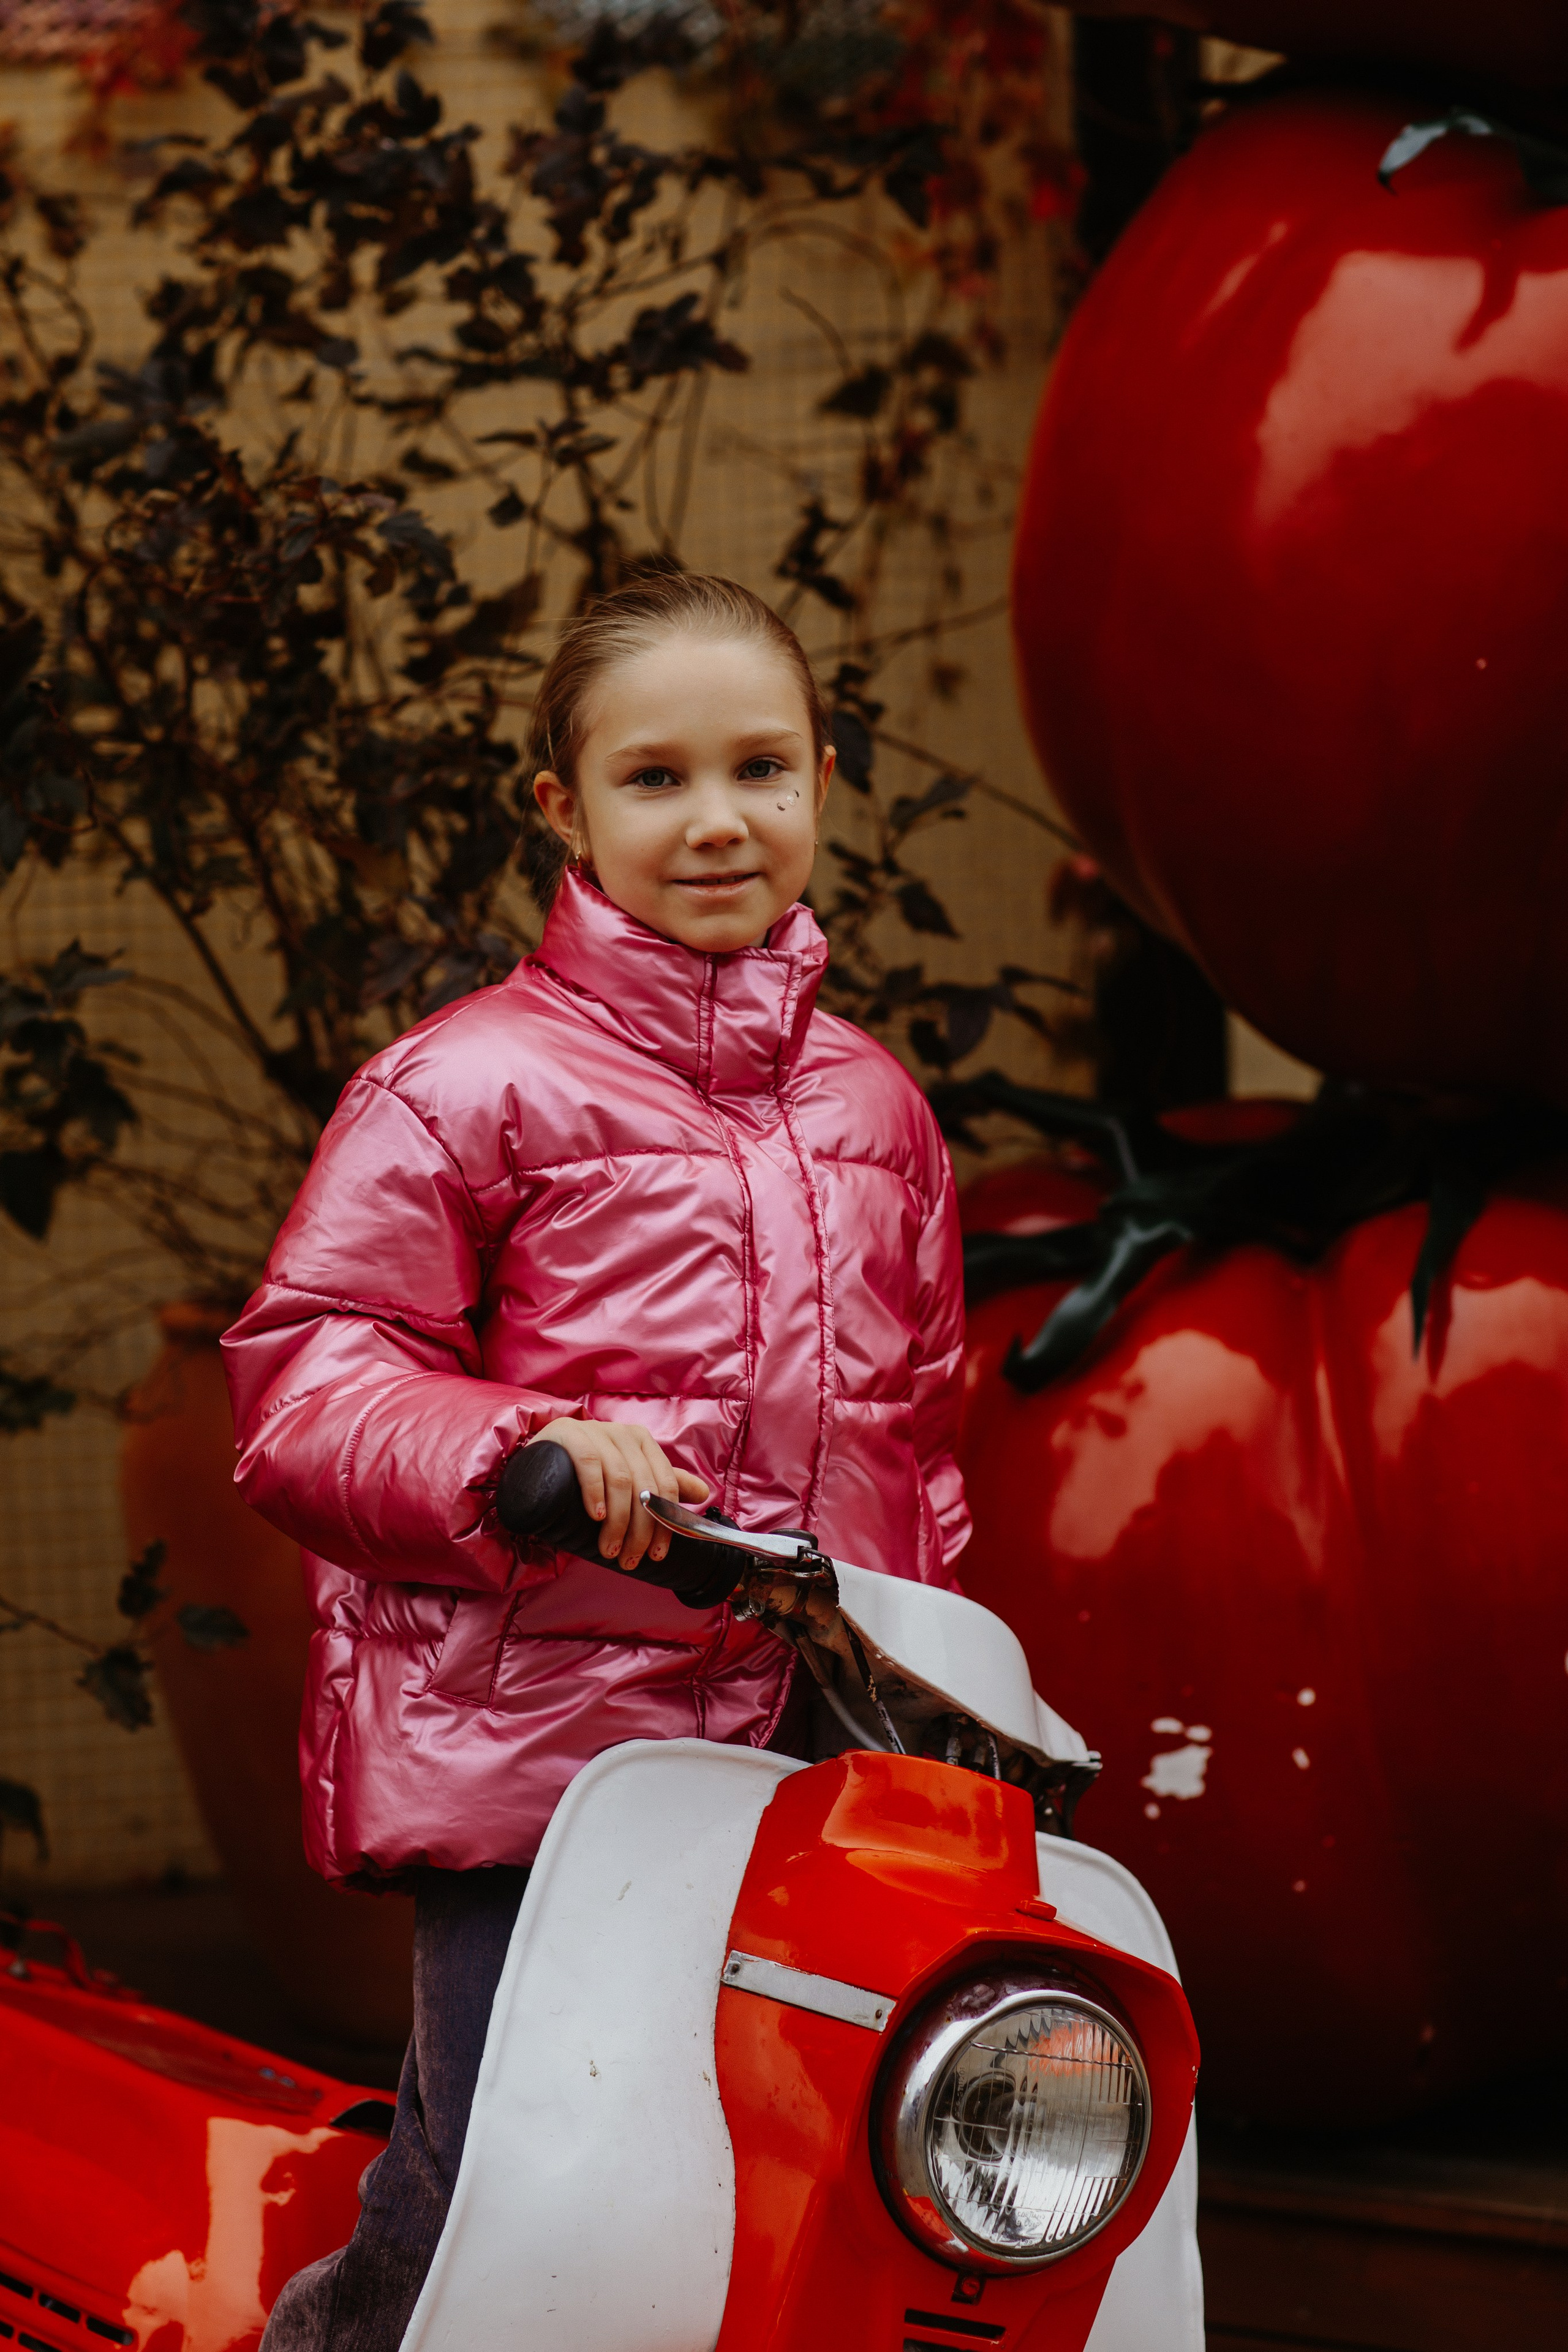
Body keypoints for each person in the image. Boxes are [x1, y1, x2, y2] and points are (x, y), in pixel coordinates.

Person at [222, 571, 970, 2349]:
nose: (717, 820)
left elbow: (918, 1444)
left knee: (792, 2187)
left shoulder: (875, 1109)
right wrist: (518, 1446)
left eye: (761, 768)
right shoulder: (462, 1089)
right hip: (533, 1758)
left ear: (822, 779)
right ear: (562, 807)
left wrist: (931, 1692)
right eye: (655, 778)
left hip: (804, 1763)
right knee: (496, 2191)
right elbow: (307, 1385)